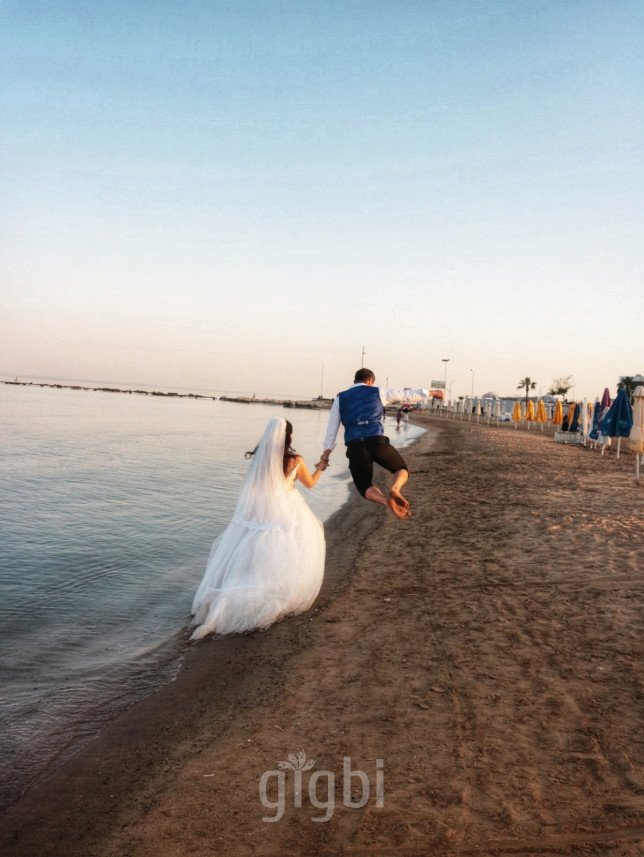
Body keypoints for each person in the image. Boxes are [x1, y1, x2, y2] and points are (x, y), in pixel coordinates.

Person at [190, 418, 326, 639]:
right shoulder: (295, 460)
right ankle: (277, 590)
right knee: (286, 552)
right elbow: (310, 483)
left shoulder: (260, 460)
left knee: (252, 554)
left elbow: (254, 488)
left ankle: (227, 598)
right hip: (286, 510)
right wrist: (320, 468)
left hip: (261, 511)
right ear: (289, 437)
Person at [318, 368, 429, 520]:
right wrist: (430, 393)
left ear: (354, 381)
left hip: (355, 447)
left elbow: (332, 429)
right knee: (401, 469)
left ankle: (386, 501)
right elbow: (406, 395)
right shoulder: (378, 392)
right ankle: (395, 489)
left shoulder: (340, 398)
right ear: (370, 381)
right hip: (376, 442)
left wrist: (325, 456)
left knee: (364, 486)